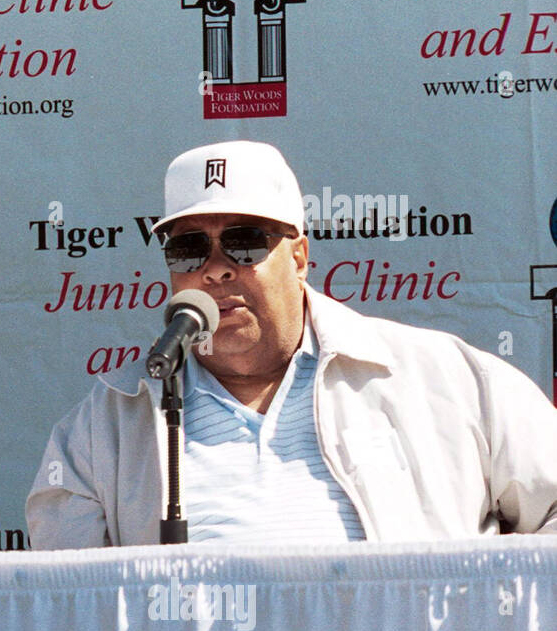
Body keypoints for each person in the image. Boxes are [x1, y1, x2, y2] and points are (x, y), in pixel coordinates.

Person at [27, 140, 557, 548]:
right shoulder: (105, 428)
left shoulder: (448, 379)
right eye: (188, 248)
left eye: (244, 241)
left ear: (299, 257)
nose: (215, 270)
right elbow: (72, 615)